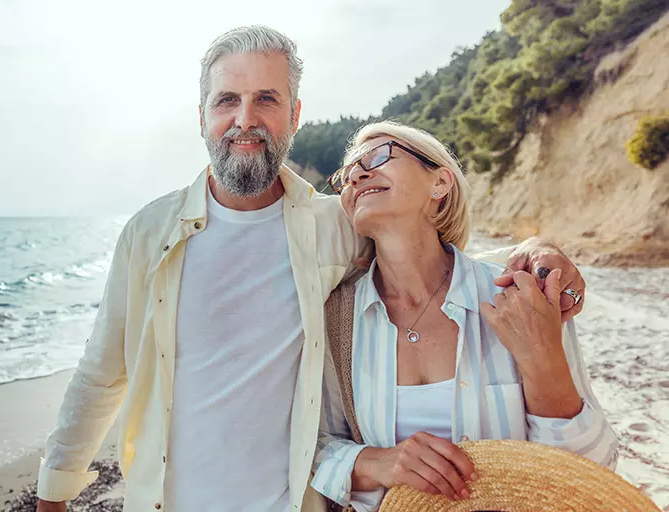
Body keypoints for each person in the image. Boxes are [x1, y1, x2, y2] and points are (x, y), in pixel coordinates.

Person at [36, 26, 587, 512]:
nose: (245, 120)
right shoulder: (148, 234)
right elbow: (101, 373)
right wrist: (53, 493)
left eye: (266, 100)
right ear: (202, 116)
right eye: (227, 99)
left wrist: (538, 257)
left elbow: (427, 257)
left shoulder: (335, 225)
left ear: (294, 116)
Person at [310, 121, 617, 512]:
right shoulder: (338, 320)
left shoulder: (517, 295)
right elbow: (318, 444)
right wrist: (375, 463)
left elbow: (592, 467)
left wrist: (544, 363)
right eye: (347, 174)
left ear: (439, 183)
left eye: (378, 156)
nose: (357, 174)